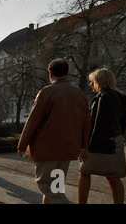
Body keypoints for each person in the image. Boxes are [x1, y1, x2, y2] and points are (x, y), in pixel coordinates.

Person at [18, 58, 91, 204]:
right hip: (68, 147)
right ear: (66, 73)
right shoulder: (80, 94)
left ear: (50, 73)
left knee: (44, 183)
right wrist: (83, 147)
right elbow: (86, 123)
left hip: (47, 147)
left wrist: (22, 144)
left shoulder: (47, 92)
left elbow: (33, 121)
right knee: (56, 187)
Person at [78, 68, 126, 204]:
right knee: (113, 176)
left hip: (100, 143)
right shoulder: (122, 97)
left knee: (84, 172)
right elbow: (124, 120)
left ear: (99, 82)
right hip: (116, 140)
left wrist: (86, 147)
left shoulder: (102, 97)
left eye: (92, 82)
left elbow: (97, 124)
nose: (90, 85)